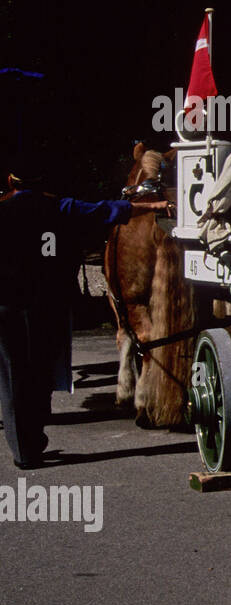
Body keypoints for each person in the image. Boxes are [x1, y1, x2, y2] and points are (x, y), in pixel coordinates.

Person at [0, 162, 171, 468]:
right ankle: (34, 437)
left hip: (7, 305)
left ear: (12, 181)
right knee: (41, 372)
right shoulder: (59, 206)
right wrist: (153, 205)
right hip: (47, 306)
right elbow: (105, 210)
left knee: (13, 376)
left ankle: (24, 449)